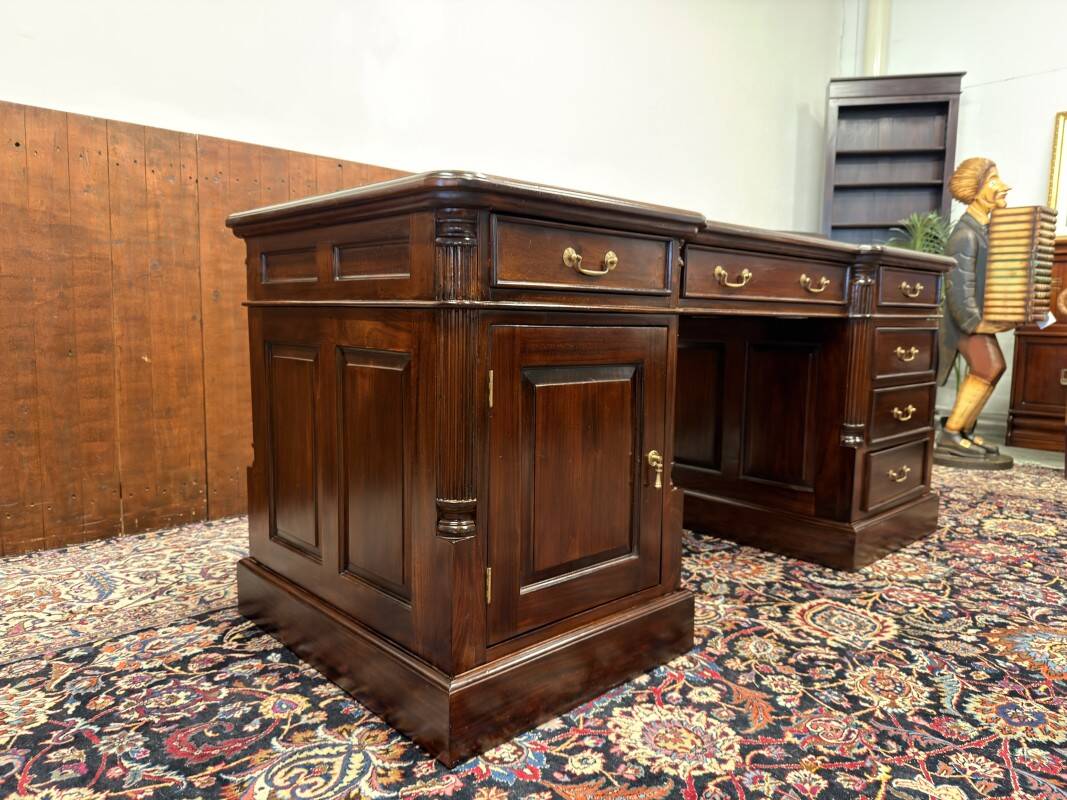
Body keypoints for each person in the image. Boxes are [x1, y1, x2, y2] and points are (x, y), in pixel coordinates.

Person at [937, 157, 1012, 460]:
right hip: (964, 323)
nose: (1003, 186)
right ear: (977, 189)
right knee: (988, 366)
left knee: (993, 367)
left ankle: (962, 430)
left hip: (976, 320)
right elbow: (959, 288)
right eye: (993, 179)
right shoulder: (966, 235)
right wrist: (977, 323)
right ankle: (951, 433)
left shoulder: (981, 231)